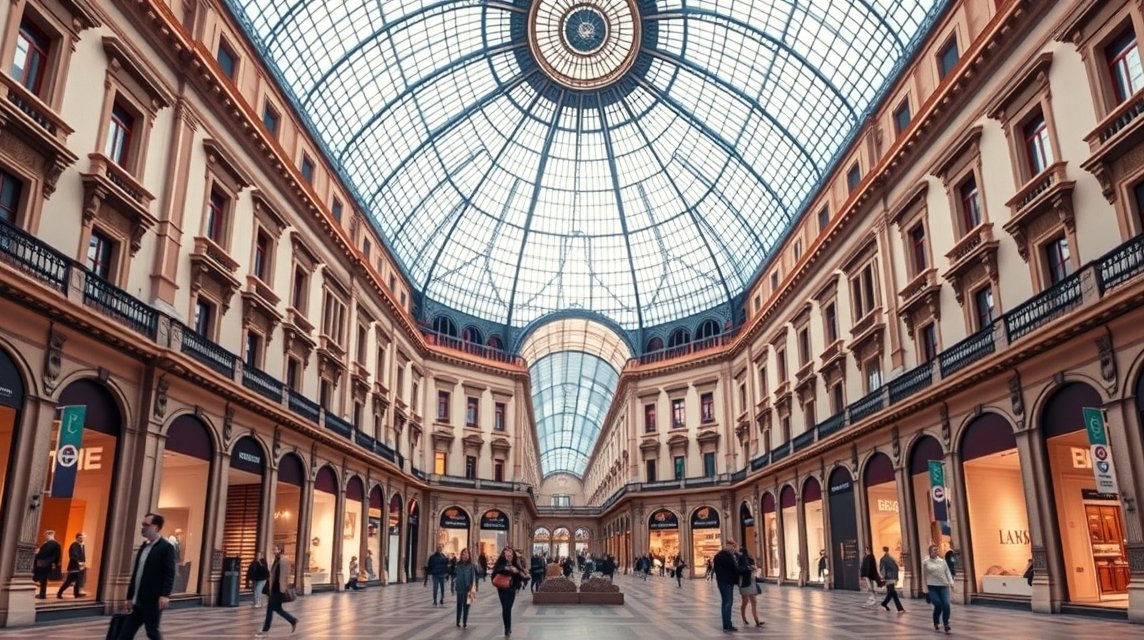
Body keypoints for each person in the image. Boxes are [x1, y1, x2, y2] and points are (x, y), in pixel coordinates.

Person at [118, 512, 176, 640]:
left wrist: (165, 595)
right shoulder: (143, 547)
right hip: (137, 600)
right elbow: (136, 573)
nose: (143, 527)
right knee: (125, 634)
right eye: (142, 524)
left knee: (152, 632)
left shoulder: (166, 548)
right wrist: (129, 597)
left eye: (146, 525)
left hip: (152, 601)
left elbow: (169, 573)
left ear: (156, 527)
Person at [256, 544, 298, 638]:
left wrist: (281, 589)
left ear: (280, 550)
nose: (273, 551)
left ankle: (292, 620)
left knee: (275, 609)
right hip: (274, 589)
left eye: (275, 549)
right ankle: (291, 621)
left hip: (278, 590)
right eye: (273, 549)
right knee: (271, 609)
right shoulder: (277, 560)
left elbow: (284, 576)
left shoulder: (282, 561)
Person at [491, 546, 526, 637]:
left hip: (511, 588)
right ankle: (507, 628)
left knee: (508, 608)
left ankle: (508, 627)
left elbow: (520, 575)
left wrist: (520, 576)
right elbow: (495, 572)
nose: (510, 555)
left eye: (511, 554)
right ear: (504, 554)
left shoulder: (515, 564)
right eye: (507, 554)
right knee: (505, 607)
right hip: (502, 588)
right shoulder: (501, 563)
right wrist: (508, 569)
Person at [921, 544, 955, 634]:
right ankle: (936, 622)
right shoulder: (925, 562)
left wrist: (951, 583)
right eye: (934, 550)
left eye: (937, 550)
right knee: (938, 604)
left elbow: (947, 572)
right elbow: (924, 576)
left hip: (944, 585)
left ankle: (946, 623)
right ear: (930, 552)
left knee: (946, 604)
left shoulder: (942, 561)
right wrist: (925, 590)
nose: (936, 551)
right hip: (932, 587)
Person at [713, 539, 740, 633]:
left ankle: (727, 624)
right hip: (727, 582)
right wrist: (733, 555)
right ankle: (727, 625)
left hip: (721, 581)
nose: (733, 548)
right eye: (733, 546)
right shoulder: (727, 556)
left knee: (725, 603)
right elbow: (734, 567)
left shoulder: (718, 556)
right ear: (729, 546)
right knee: (728, 603)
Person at [737, 547, 763, 627]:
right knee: (746, 601)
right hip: (745, 582)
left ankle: (756, 620)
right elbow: (740, 571)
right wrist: (750, 569)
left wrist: (752, 568)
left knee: (751, 601)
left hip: (749, 581)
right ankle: (745, 618)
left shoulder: (746, 559)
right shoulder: (739, 560)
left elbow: (752, 569)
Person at [33, 529, 62, 600]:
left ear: (48, 535)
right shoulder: (57, 544)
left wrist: (38, 553)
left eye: (45, 535)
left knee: (42, 579)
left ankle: (42, 594)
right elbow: (57, 555)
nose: (45, 537)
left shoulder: (50, 543)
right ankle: (42, 594)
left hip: (44, 563)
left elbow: (44, 553)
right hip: (48, 563)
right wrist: (55, 563)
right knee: (43, 579)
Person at [57, 532, 87, 599]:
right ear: (77, 538)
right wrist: (79, 562)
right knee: (69, 581)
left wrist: (83, 563)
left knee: (78, 581)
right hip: (74, 567)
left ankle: (76, 594)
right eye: (80, 538)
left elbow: (82, 555)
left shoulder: (81, 545)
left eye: (82, 538)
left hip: (80, 566)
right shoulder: (74, 545)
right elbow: (73, 555)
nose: (82, 539)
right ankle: (59, 592)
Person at [453, 548, 477, 628]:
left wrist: (473, 589)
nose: (465, 555)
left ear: (469, 555)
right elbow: (454, 575)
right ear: (461, 555)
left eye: (467, 553)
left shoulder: (471, 565)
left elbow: (473, 577)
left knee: (466, 606)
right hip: (459, 587)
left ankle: (464, 622)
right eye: (464, 553)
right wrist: (453, 585)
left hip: (468, 589)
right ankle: (458, 621)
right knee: (459, 605)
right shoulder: (458, 565)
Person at [878, 546, 904, 613]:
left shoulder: (883, 558)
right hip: (891, 577)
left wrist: (883, 577)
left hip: (888, 577)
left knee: (892, 592)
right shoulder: (891, 558)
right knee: (892, 592)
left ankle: (885, 603)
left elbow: (882, 569)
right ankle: (899, 608)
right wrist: (896, 578)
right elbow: (896, 568)